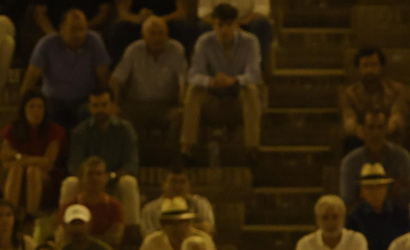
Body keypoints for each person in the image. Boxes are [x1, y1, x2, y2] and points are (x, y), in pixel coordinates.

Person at [181, 2, 261, 164]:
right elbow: (194, 74)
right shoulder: (204, 42)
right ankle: (187, 147)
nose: (224, 30)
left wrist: (234, 80)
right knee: (194, 90)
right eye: (220, 25)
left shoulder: (250, 41)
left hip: (237, 96)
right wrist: (210, 81)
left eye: (229, 24)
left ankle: (252, 148)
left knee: (251, 90)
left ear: (236, 24)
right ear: (214, 25)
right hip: (213, 96)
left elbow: (254, 74)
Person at [59, 92, 141, 242]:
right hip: (87, 182)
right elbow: (74, 165)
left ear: (112, 106)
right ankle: (64, 229)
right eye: (95, 106)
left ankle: (131, 234)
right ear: (90, 108)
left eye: (104, 105)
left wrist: (109, 177)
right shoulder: (80, 131)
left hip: (113, 181)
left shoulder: (125, 129)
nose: (100, 109)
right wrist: (89, 178)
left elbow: (131, 165)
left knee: (129, 182)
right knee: (70, 183)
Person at [109, 16, 185, 164]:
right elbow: (116, 79)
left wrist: (183, 104)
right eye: (152, 33)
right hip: (136, 105)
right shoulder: (133, 50)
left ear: (167, 33)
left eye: (160, 33)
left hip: (167, 105)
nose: (157, 38)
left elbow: (183, 81)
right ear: (143, 36)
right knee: (118, 115)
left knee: (181, 115)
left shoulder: (177, 49)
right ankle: (131, 162)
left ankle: (170, 163)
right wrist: (114, 102)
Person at [21, 8, 109, 130]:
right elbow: (31, 77)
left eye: (82, 29)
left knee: (91, 113)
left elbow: (104, 76)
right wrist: (23, 106)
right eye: (73, 29)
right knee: (49, 112)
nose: (78, 34)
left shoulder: (94, 41)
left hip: (85, 99)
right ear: (62, 29)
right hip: (54, 100)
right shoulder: (47, 44)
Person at [0, 93, 67, 219]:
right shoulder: (13, 129)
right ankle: (10, 214)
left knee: (33, 171)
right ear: (24, 109)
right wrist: (29, 159)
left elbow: (48, 162)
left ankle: (31, 217)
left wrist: (20, 158)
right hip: (18, 173)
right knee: (16, 170)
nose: (36, 111)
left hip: (46, 177)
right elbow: (5, 158)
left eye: (40, 107)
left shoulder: (54, 130)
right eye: (31, 107)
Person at [345, 164, 410, 250]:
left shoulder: (402, 215)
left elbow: (408, 244)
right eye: (369, 188)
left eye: (379, 187)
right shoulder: (353, 219)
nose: (375, 192)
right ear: (362, 191)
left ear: (386, 189)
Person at [340, 46, 406, 152]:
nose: (370, 70)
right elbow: (349, 121)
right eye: (365, 65)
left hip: (388, 137)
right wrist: (368, 134)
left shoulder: (396, 90)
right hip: (360, 141)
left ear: (381, 67)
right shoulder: (350, 94)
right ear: (358, 68)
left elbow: (397, 115)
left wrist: (380, 133)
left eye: (374, 65)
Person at [340, 109, 410, 207]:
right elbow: (347, 200)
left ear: (386, 129)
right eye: (371, 127)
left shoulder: (402, 158)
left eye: (380, 127)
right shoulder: (350, 162)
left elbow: (406, 196)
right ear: (363, 130)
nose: (375, 133)